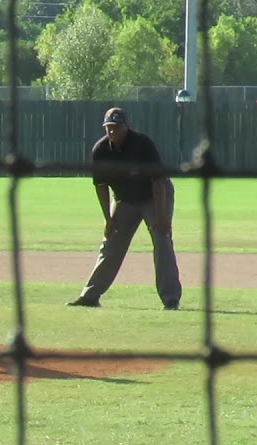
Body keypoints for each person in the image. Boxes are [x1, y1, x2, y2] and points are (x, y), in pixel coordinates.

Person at [67, 107, 182, 310]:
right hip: (124, 200)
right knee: (111, 243)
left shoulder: (142, 144)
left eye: (116, 127)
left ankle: (171, 299)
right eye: (109, 128)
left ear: (126, 126)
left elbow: (157, 181)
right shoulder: (101, 151)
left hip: (154, 197)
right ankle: (90, 296)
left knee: (162, 240)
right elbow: (100, 186)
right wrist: (108, 219)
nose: (112, 132)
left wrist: (162, 216)